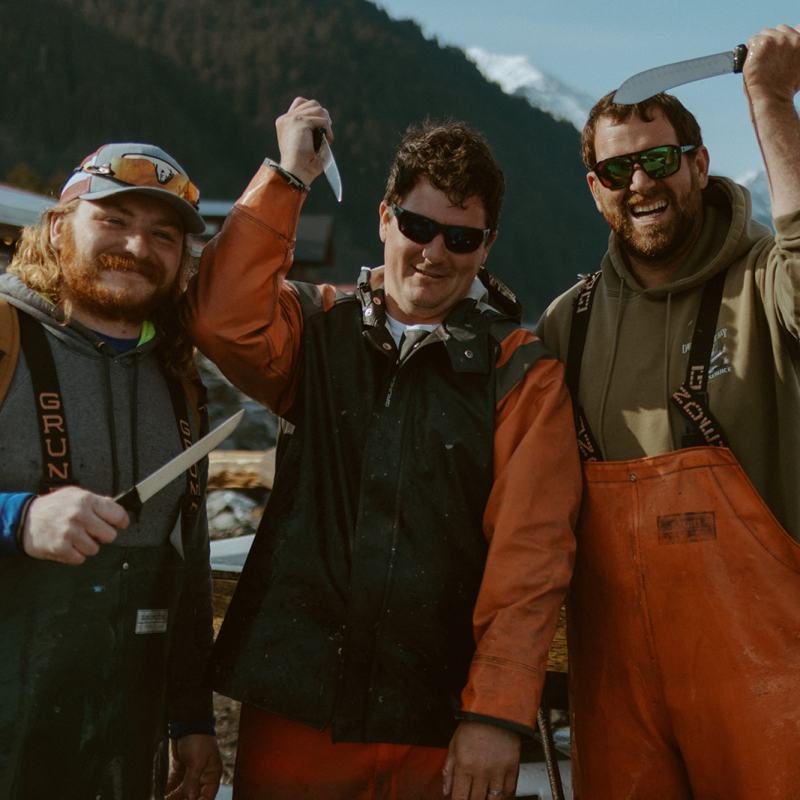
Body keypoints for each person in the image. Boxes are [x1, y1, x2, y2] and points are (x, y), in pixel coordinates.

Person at [187, 98, 580, 800]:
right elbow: (222, 318)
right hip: (298, 704)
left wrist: (495, 713)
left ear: (487, 245)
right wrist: (287, 175)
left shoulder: (520, 368)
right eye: (419, 226)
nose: (435, 253)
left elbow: (533, 553)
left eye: (461, 239)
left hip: (439, 717)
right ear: (384, 216)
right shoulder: (318, 327)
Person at [536, 23, 800, 800]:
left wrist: (772, 102)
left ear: (699, 164)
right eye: (617, 170)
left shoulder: (765, 281)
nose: (640, 184)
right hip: (617, 692)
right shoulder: (568, 323)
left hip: (767, 681)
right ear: (594, 188)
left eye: (658, 160)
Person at [0, 143, 222, 800]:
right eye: (114, 220)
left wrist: (192, 717)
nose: (138, 245)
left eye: (164, 235)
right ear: (58, 224)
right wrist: (19, 517)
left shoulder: (179, 379)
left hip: (120, 748)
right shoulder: (5, 333)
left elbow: (189, 557)